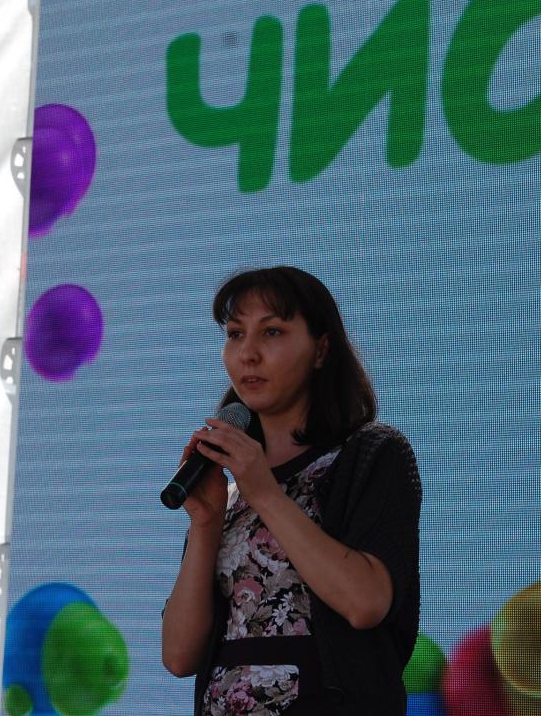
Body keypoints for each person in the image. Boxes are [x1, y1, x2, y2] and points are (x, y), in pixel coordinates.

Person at [161, 266, 422, 716]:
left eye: (272, 332)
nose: (248, 354)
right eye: (235, 334)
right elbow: (179, 655)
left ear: (321, 350)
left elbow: (366, 603)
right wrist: (206, 524)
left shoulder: (371, 455)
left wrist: (266, 494)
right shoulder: (229, 489)